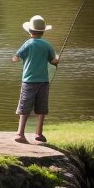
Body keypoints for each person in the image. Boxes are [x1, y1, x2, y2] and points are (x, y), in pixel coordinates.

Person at [12, 14, 59, 144]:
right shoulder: (47, 45)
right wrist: (57, 59)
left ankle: (20, 134)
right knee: (41, 108)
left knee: (25, 107)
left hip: (28, 81)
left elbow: (16, 58)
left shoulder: (27, 44)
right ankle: (39, 134)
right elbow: (53, 61)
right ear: (43, 31)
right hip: (43, 81)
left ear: (29, 32)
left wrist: (18, 58)